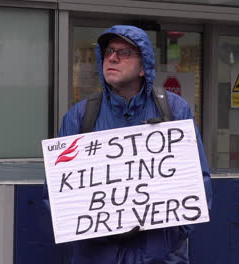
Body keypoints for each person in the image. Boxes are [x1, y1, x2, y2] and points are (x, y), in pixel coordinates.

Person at [43, 25, 212, 264]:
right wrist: (102, 229)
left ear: (143, 67)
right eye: (109, 51)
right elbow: (56, 191)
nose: (112, 58)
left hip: (159, 257)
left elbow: (198, 181)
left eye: (123, 53)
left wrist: (171, 235)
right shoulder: (80, 116)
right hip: (97, 255)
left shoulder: (174, 110)